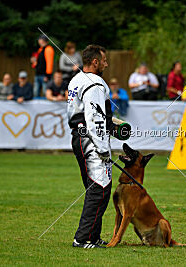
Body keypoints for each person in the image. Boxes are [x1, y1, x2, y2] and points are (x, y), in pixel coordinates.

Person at [67, 44, 112, 249]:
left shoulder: (76, 80)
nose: (106, 63)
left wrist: (114, 124)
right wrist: (102, 148)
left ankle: (93, 237)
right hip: (91, 140)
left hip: (78, 137)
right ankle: (83, 238)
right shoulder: (95, 83)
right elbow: (95, 118)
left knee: (94, 187)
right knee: (100, 188)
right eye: (103, 60)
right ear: (95, 62)